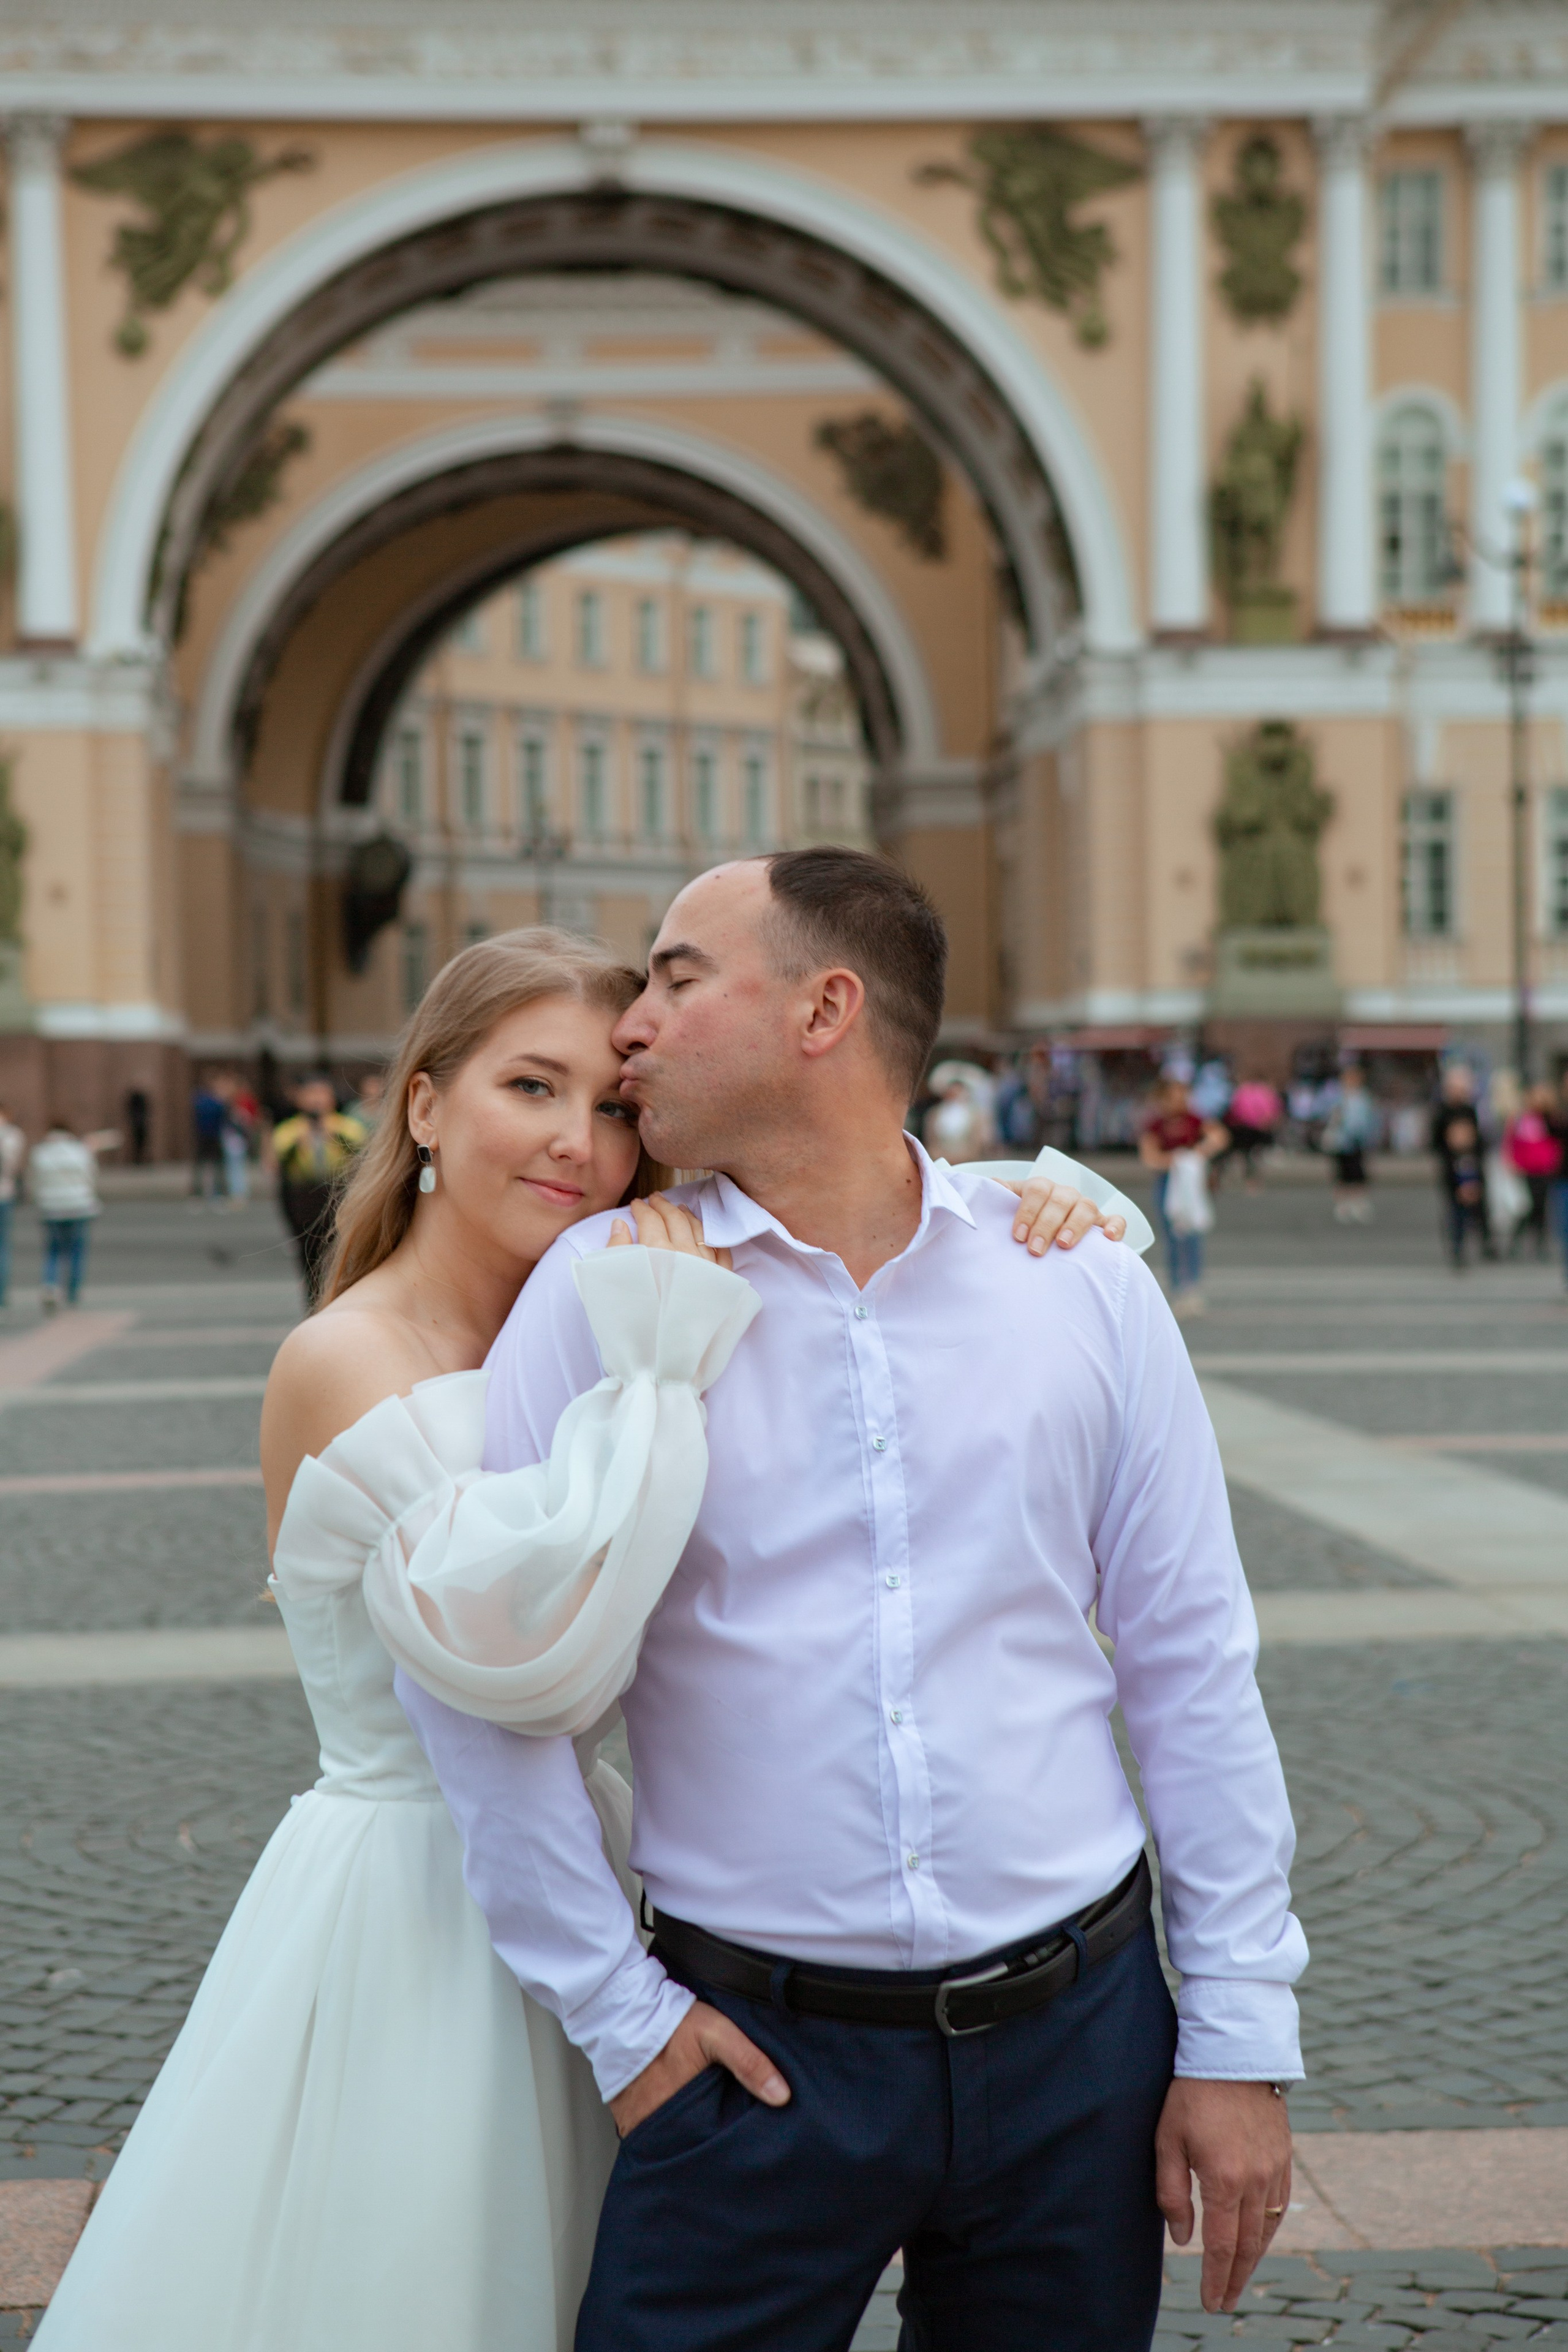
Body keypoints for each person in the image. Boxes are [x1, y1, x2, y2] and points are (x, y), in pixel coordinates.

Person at [34, 926, 1128, 2352]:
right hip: (419, 1907)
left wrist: (1033, 1205)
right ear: (423, 1103)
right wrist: (652, 1357)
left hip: (610, 1885)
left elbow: (848, 1217)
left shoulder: (592, 1303)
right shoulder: (349, 1355)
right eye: (528, 1088)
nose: (575, 1142)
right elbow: (519, 1643)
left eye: (611, 1106)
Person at [404, 851, 1305, 2352]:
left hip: (1078, 2048)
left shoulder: (1074, 1285)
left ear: (823, 1008)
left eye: (679, 975)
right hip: (746, 2058)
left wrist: (1234, 2036)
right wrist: (621, 2024)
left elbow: (1188, 1659)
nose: (633, 1019)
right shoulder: (598, 1288)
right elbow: (476, 1676)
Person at [271, 1076, 367, 1305]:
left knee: (340, 1259)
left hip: (338, 1196)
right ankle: (314, 1304)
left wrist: (331, 1134)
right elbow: (282, 1156)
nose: (316, 1100)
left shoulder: (346, 1126)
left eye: (322, 1094)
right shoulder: (290, 1130)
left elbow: (359, 1149)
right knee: (309, 1260)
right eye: (311, 1095)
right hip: (304, 1200)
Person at [1139, 1074, 1229, 1315]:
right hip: (1168, 1182)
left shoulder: (1194, 1119)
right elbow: (1150, 1157)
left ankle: (1193, 1287)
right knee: (1173, 1237)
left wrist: (1198, 1153)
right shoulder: (1156, 1123)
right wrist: (1174, 1161)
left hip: (1190, 1182)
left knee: (1193, 1236)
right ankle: (1178, 1287)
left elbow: (1220, 1137)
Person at [28, 1114, 118, 1311]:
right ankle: (73, 1291)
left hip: (51, 1206)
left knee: (52, 1250)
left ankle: (50, 1286)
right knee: (77, 1249)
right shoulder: (81, 1150)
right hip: (79, 1204)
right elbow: (91, 1176)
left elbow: (34, 1181)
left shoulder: (40, 1152)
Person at [1431, 1066, 1496, 1267]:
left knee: (1479, 1207)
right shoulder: (1441, 1112)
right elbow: (1436, 1143)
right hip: (1452, 1167)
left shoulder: (1472, 1110)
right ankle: (1457, 1247)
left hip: (1472, 1165)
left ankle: (1486, 1243)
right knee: (1455, 1210)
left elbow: (1482, 1140)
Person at [1322, 1065, 1380, 1224]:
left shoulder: (1363, 1098)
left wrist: (1370, 1138)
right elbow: (1331, 1118)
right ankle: (1343, 1204)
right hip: (1341, 1142)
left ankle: (1359, 1203)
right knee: (1342, 1173)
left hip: (1358, 1142)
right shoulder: (1338, 1098)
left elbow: (1369, 1121)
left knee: (1359, 1173)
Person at [1224, 1073, 1281, 1191]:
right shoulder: (1266, 1092)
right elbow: (1274, 1110)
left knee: (1247, 1155)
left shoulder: (1243, 1091)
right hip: (1257, 1128)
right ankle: (1253, 1178)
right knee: (1255, 1155)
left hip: (1246, 1128)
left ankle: (1250, 1178)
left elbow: (1236, 1109)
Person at [0, 1099, 25, 1310]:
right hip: (4, 1193)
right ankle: (1, 1294)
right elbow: (14, 1166)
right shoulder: (13, 1135)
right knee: (3, 1247)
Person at [189, 1074, 227, 1205]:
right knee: (217, 1166)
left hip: (202, 1136)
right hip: (214, 1136)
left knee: (200, 1166)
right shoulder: (216, 1102)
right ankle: (219, 1192)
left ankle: (197, 1193)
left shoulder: (199, 1101)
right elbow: (223, 1116)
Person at [124, 1086, 151, 1167]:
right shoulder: (135, 1100)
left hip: (140, 1123)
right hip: (137, 1124)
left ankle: (141, 1159)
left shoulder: (140, 1100)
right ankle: (138, 1159)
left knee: (141, 1142)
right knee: (138, 1143)